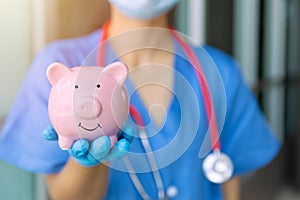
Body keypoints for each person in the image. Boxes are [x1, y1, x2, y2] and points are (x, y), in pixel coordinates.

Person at [0, 0, 280, 199]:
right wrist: (90, 162)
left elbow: (228, 179)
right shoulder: (60, 66)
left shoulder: (219, 72)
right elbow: (67, 197)